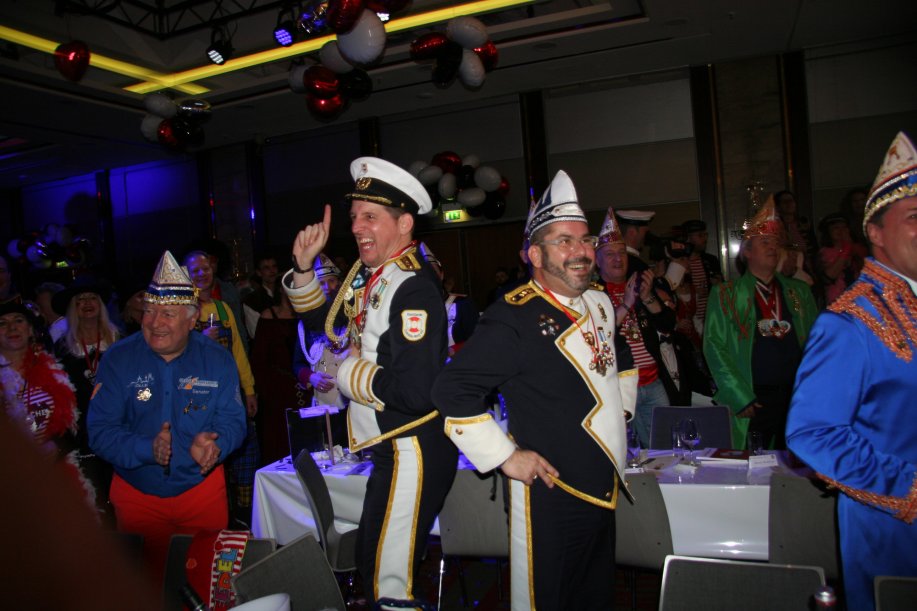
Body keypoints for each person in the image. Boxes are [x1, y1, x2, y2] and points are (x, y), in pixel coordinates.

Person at [433, 170, 637, 610]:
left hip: (603, 486)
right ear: (535, 255)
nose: (581, 251)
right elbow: (451, 389)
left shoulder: (600, 302)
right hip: (550, 495)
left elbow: (620, 358)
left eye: (585, 240)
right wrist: (505, 456)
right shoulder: (513, 317)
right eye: (564, 241)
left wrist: (619, 415)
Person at [284, 157, 457, 607]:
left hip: (412, 447)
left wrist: (344, 372)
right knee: (372, 563)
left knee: (389, 581)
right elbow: (328, 325)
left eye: (370, 217)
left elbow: (416, 392)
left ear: (404, 223)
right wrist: (303, 268)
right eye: (355, 216)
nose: (357, 227)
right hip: (391, 448)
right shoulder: (373, 275)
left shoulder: (414, 286)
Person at [786, 131, 917, 611]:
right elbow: (812, 433)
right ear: (875, 234)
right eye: (914, 217)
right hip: (895, 532)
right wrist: (909, 488)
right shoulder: (851, 322)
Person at [87, 250, 247, 587]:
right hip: (137, 494)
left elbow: (234, 421)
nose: (154, 322)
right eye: (149, 311)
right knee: (147, 588)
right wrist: (147, 449)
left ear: (192, 319)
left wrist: (216, 443)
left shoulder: (217, 359)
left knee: (206, 585)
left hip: (201, 491)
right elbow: (99, 431)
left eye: (168, 314)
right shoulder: (118, 359)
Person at [703, 196, 818, 450]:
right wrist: (738, 396)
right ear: (746, 251)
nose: (772, 247)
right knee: (754, 464)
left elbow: (817, 342)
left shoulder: (799, 291)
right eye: (765, 242)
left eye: (775, 242)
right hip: (753, 398)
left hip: (795, 396)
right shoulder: (726, 294)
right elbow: (714, 346)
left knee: (796, 463)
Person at [595, 207, 690, 447]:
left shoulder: (638, 285)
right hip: (619, 386)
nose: (618, 259)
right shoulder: (592, 294)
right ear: (597, 261)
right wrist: (626, 304)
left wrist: (648, 298)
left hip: (653, 380)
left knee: (665, 448)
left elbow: (667, 324)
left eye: (621, 253)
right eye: (610, 254)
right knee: (625, 451)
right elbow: (600, 335)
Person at [184, 249, 259, 526]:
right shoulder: (183, 312)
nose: (202, 274)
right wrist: (200, 339)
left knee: (245, 454)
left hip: (231, 394)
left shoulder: (223, 308)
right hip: (199, 399)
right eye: (195, 270)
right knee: (213, 458)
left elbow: (238, 352)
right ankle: (217, 518)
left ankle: (244, 517)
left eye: (206, 269)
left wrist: (248, 389)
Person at [0, 301, 90, 506]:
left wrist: (56, 447)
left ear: (31, 330)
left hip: (54, 472)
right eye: (2, 323)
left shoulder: (54, 369)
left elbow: (72, 426)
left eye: (18, 321)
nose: (12, 327)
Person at [52, 276, 120, 525]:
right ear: (73, 308)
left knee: (120, 495)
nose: (87, 303)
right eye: (80, 300)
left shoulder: (120, 341)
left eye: (92, 298)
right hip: (83, 433)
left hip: (119, 428)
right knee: (95, 498)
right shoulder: (62, 348)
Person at [418, 243, 479, 356]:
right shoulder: (412, 308)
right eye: (423, 274)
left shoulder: (462, 304)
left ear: (441, 275)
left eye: (433, 272)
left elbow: (477, 340)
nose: (429, 277)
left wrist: (451, 351)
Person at [679, 220, 723, 336]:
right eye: (700, 235)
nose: (705, 238)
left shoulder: (711, 260)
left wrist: (718, 285)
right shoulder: (679, 262)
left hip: (710, 321)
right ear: (688, 238)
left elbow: (722, 289)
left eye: (705, 235)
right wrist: (693, 292)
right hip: (688, 324)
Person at [817, 212, 866, 305]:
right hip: (838, 304)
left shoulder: (858, 250)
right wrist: (846, 249)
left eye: (844, 227)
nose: (841, 231)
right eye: (836, 228)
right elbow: (829, 277)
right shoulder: (824, 254)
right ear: (828, 232)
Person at [242, 252, 280, 340]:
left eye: (274, 266)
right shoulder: (251, 301)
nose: (272, 271)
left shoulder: (284, 294)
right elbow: (255, 333)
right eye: (266, 268)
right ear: (259, 272)